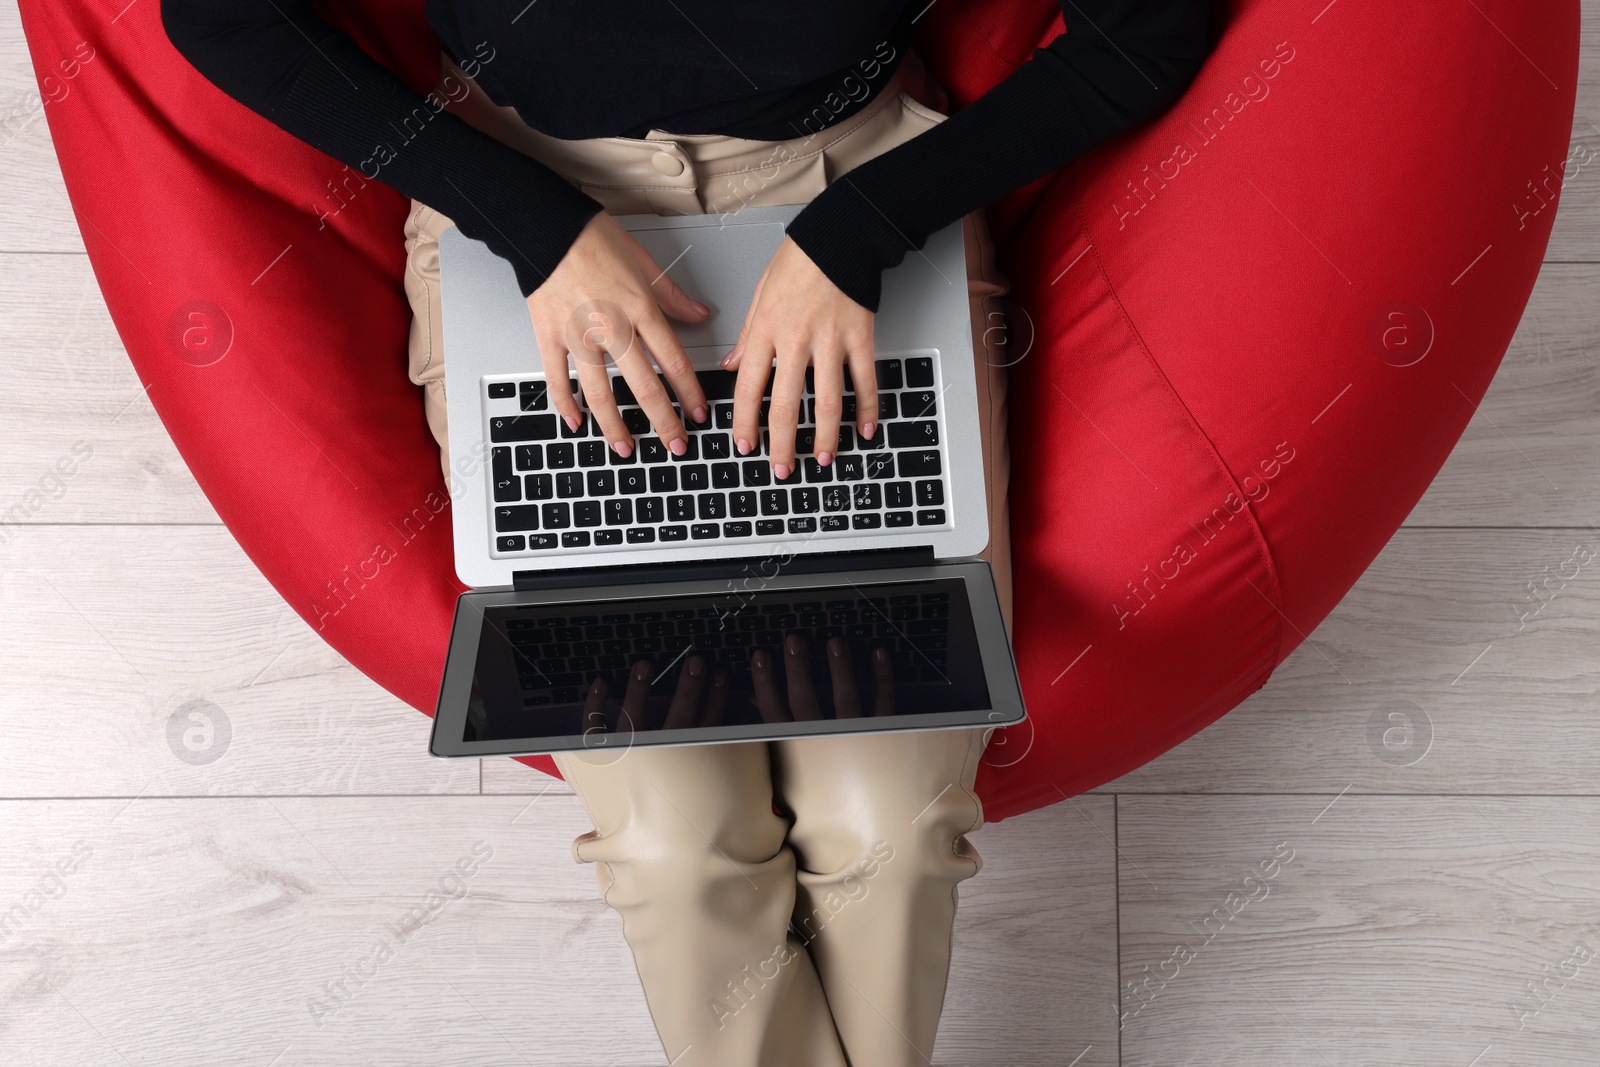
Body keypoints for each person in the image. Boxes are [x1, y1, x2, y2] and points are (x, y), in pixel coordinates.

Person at [161, 2, 1213, 1063]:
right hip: (528, 214)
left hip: (850, 202)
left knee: (888, 828)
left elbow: (1145, 31)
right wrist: (532, 226)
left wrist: (864, 230)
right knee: (676, 844)